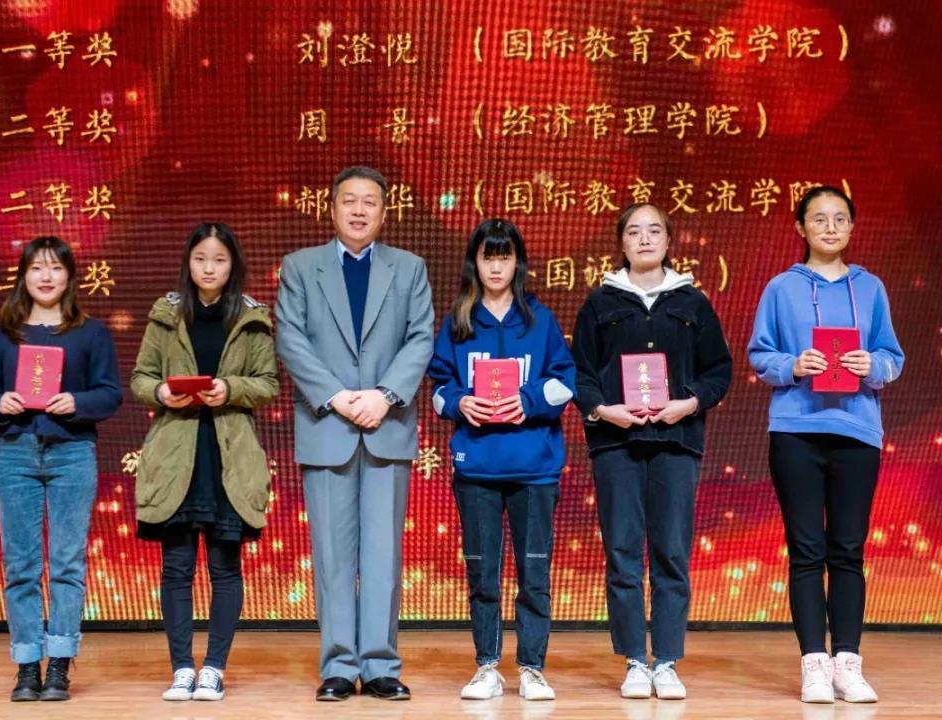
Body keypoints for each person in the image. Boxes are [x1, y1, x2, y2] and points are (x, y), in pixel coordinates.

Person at [276, 165, 434, 701]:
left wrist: (384, 395)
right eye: (349, 200)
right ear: (332, 208)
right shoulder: (301, 267)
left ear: (384, 212)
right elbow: (291, 338)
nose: (359, 210)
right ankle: (340, 666)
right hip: (327, 424)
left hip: (387, 424)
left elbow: (420, 337)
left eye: (370, 202)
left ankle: (382, 664)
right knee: (332, 555)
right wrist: (338, 396)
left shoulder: (409, 267)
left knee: (383, 554)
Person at [747, 186, 904, 704]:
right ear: (801, 228)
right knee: (806, 550)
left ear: (852, 227)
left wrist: (872, 366)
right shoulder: (781, 288)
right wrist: (792, 365)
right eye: (819, 219)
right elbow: (760, 354)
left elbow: (892, 357)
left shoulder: (871, 288)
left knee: (849, 550)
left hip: (857, 431)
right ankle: (814, 664)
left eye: (840, 219)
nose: (830, 228)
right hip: (796, 429)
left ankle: (848, 664)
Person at [571, 204, 732, 701]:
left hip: (676, 442)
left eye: (654, 230)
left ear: (668, 240)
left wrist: (690, 403)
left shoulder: (692, 302)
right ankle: (634, 661)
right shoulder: (600, 301)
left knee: (671, 552)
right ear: (621, 243)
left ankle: (666, 660)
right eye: (634, 232)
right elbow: (580, 374)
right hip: (616, 442)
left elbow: (718, 371)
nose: (645, 239)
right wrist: (603, 410)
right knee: (622, 552)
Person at [130, 222, 279, 702]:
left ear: (233, 264)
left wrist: (229, 389)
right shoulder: (166, 314)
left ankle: (213, 668)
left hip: (227, 454)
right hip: (176, 453)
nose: (209, 268)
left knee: (224, 567)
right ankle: (180, 668)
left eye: (218, 260)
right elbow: (140, 376)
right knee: (176, 567)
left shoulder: (251, 317)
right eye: (200, 259)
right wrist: (161, 391)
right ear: (188, 263)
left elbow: (269, 384)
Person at [429, 218, 575, 702]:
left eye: (504, 256)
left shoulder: (540, 320)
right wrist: (459, 403)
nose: (496, 267)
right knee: (482, 573)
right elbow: (438, 386)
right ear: (474, 262)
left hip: (535, 467)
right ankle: (486, 667)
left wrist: (528, 400)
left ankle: (532, 667)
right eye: (487, 257)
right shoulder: (458, 321)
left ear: (518, 263)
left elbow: (565, 382)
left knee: (534, 573)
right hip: (476, 468)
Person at [0, 236, 122, 701]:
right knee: (20, 565)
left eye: (56, 267)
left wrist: (77, 401)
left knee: (66, 563)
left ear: (70, 276)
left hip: (71, 452)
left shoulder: (91, 332)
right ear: (23, 275)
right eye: (36, 267)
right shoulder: (4, 332)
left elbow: (110, 393)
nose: (46, 276)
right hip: (15, 452)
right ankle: (25, 666)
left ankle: (58, 663)